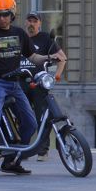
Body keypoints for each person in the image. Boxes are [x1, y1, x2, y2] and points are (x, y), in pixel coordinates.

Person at [0, 0, 61, 177]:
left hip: (14, 83)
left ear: (12, 14)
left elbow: (33, 57)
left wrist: (50, 57)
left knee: (30, 122)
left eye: (5, 14)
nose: (1, 18)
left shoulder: (19, 33)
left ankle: (11, 161)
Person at [20, 11, 67, 161]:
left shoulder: (46, 38)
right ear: (25, 22)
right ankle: (22, 149)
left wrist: (57, 76)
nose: (32, 24)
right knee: (21, 117)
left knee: (43, 117)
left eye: (35, 21)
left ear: (39, 23)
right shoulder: (19, 38)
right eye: (29, 21)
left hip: (39, 83)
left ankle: (42, 150)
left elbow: (62, 58)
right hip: (19, 82)